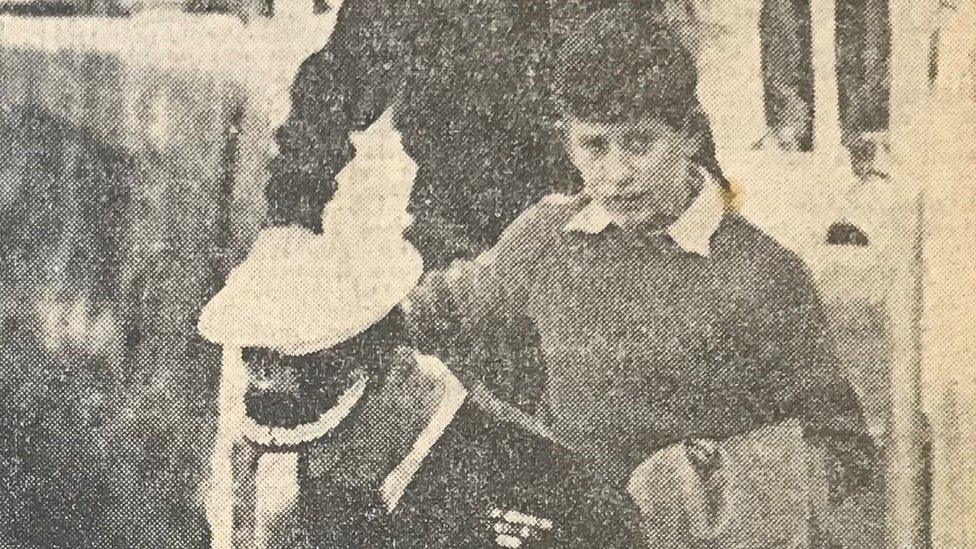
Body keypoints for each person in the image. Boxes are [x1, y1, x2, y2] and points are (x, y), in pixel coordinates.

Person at [406, 6, 881, 545]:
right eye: (594, 146)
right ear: (568, 143)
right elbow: (435, 313)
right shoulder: (546, 236)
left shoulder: (763, 275)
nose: (616, 173)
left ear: (686, 135)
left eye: (638, 143)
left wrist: (720, 475)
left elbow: (845, 452)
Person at [196, 219, 645, 547]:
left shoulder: (543, 487)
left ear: (391, 368)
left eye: (330, 439)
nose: (315, 463)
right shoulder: (318, 486)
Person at [264, 0, 719, 270]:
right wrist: (290, 215)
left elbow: (665, 101)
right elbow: (335, 88)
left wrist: (712, 213)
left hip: (595, 235)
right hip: (457, 235)